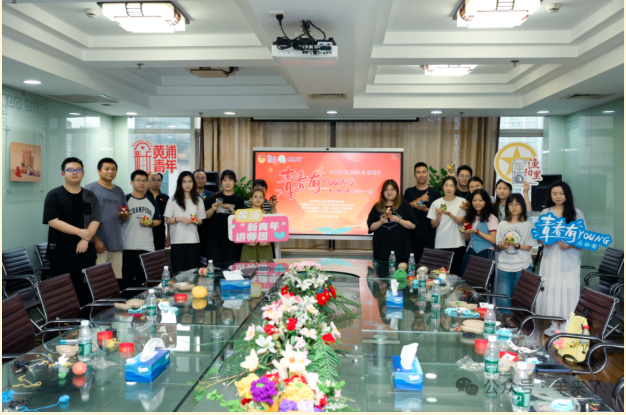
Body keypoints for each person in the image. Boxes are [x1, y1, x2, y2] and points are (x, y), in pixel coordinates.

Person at [43, 157, 101, 306]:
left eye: (78, 170)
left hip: (86, 253)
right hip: (62, 254)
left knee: (86, 293)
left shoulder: (90, 195)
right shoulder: (54, 195)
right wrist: (80, 232)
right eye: (70, 170)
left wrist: (85, 239)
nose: (74, 173)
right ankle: (64, 321)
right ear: (63, 174)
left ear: (83, 173)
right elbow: (53, 221)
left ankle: (85, 319)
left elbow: (95, 219)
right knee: (63, 295)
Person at [536, 182, 585, 336]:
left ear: (567, 195)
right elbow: (538, 235)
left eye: (561, 193)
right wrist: (544, 241)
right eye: (554, 193)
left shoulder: (576, 213)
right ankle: (554, 323)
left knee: (567, 290)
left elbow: (583, 238)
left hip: (569, 259)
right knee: (551, 288)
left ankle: (566, 324)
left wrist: (570, 245)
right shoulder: (545, 212)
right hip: (550, 258)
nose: (558, 196)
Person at [495, 194, 538, 317]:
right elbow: (498, 244)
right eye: (511, 204)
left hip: (522, 266)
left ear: (522, 206)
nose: (514, 207)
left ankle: (520, 324)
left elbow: (529, 246)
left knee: (521, 300)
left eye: (517, 204)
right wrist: (502, 246)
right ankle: (505, 324)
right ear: (507, 207)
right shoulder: (502, 224)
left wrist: (517, 245)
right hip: (504, 266)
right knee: (503, 300)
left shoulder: (527, 224)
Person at [84, 158, 127, 281]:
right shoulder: (90, 189)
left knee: (115, 280)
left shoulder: (119, 191)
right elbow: (85, 218)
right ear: (99, 171)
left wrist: (124, 216)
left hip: (116, 243)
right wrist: (95, 239)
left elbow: (124, 212)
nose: (110, 172)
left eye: (113, 169)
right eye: (106, 169)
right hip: (99, 244)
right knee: (99, 280)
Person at [121, 170, 162, 294]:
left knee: (144, 283)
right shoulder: (125, 199)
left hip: (147, 247)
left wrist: (151, 223)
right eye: (138, 180)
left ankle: (143, 305)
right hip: (128, 247)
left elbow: (158, 220)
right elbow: (118, 219)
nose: (141, 183)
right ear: (131, 182)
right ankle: (126, 305)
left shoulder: (151, 200)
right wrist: (123, 217)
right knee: (126, 283)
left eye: (144, 180)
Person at [164, 171, 206, 273]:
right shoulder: (173, 199)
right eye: (184, 182)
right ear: (180, 183)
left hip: (193, 241)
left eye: (190, 181)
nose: (187, 184)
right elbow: (167, 220)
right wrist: (179, 219)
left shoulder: (198, 200)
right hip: (177, 241)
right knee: (178, 272)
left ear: (193, 183)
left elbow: (201, 220)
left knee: (193, 272)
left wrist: (196, 221)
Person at [367, 179, 417, 264]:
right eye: (386, 190)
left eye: (392, 189)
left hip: (401, 251)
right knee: (382, 271)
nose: (389, 192)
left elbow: (413, 225)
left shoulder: (405, 205)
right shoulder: (377, 206)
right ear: (382, 192)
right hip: (382, 251)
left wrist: (398, 220)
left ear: (397, 191)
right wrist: (381, 222)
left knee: (401, 272)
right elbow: (371, 227)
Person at [427, 176, 467, 276]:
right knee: (441, 275)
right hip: (441, 243)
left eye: (452, 186)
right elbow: (433, 225)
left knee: (456, 275)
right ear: (442, 187)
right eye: (446, 185)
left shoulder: (462, 202)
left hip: (457, 243)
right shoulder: (436, 203)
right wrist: (438, 217)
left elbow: (462, 222)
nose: (449, 188)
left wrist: (450, 214)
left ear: (456, 188)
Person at [206, 170, 247, 263]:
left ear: (235, 182)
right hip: (214, 240)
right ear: (221, 182)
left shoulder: (239, 199)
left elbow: (241, 219)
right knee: (215, 267)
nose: (227, 183)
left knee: (230, 266)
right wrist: (212, 209)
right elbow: (206, 216)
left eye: (230, 180)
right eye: (224, 180)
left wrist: (231, 209)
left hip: (232, 240)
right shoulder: (214, 197)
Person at [403, 162, 440, 263]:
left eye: (423, 172)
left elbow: (439, 214)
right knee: (411, 265)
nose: (421, 175)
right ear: (414, 174)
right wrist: (420, 199)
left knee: (428, 266)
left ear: (427, 173)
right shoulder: (409, 192)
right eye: (418, 172)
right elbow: (403, 209)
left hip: (429, 236)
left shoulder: (435, 193)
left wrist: (425, 210)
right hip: (412, 236)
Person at [460, 189, 499, 276]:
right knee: (466, 279)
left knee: (482, 279)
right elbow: (468, 240)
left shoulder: (491, 217)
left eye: (480, 200)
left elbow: (494, 240)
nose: (477, 203)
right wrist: (466, 233)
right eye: (474, 200)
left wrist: (477, 231)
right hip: (470, 250)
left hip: (485, 252)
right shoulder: (470, 217)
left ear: (486, 201)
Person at [240, 189, 274, 262]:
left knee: (266, 268)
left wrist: (268, 242)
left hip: (265, 249)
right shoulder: (243, 214)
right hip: (248, 249)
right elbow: (239, 232)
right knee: (248, 269)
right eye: (255, 196)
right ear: (250, 199)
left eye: (261, 197)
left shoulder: (268, 215)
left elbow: (273, 232)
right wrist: (245, 241)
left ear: (264, 200)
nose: (258, 199)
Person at [193, 170, 215, 260]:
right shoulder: (188, 195)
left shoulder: (212, 195)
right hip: (192, 231)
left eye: (203, 178)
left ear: (206, 180)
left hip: (207, 233)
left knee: (206, 259)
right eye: (197, 178)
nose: (200, 180)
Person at [148, 173, 170, 250]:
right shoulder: (144, 195)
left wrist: (169, 236)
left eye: (159, 180)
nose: (156, 182)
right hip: (145, 231)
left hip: (160, 233)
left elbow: (168, 218)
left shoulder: (165, 197)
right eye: (153, 180)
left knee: (158, 255)